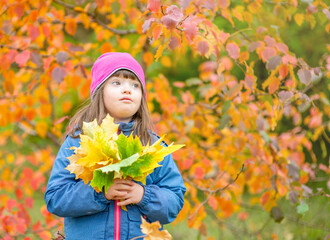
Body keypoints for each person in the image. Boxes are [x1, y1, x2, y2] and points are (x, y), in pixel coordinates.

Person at [44, 52, 186, 240]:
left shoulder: (152, 146)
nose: (127, 90)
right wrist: (100, 193)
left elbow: (175, 199)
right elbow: (56, 198)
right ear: (99, 91)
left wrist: (144, 195)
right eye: (117, 83)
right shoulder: (79, 141)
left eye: (135, 85)